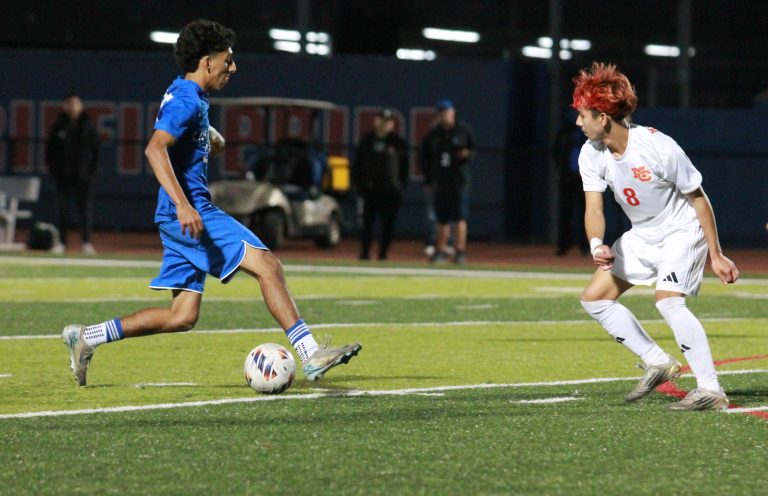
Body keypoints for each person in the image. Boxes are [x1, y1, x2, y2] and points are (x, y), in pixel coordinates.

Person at [61, 19, 361, 387]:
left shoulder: (184, 92)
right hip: (190, 214)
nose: (232, 68)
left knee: (182, 316)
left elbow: (179, 124)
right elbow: (155, 149)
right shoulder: (188, 99)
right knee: (268, 265)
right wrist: (185, 205)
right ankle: (309, 353)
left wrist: (208, 136)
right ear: (206, 62)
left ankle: (86, 337)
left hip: (172, 217)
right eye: (227, 60)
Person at [573, 62, 739, 411]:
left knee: (667, 300)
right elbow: (594, 208)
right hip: (643, 235)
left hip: (681, 228)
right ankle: (658, 361)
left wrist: (716, 253)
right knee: (594, 298)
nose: (578, 122)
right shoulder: (591, 153)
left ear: (602, 118)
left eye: (582, 115)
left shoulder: (657, 146)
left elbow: (699, 199)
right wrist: (596, 244)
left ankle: (711, 389)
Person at [419, 99, 474, 264]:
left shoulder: (463, 130)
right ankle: (440, 250)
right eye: (440, 112)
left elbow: (471, 152)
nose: (443, 115)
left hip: (459, 181)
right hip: (441, 182)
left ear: (453, 112)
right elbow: (425, 158)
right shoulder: (433, 134)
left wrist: (466, 154)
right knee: (441, 219)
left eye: (446, 112)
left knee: (460, 217)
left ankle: (460, 251)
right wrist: (429, 180)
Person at [45, 94, 100, 254]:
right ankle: (62, 242)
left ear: (81, 106)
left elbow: (96, 150)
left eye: (76, 103)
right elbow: (50, 150)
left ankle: (87, 242)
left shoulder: (88, 125)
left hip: (83, 177)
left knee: (84, 211)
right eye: (70, 103)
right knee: (62, 210)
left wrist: (91, 172)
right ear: (64, 106)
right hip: (63, 176)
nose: (73, 106)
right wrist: (55, 170)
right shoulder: (59, 125)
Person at [353, 109, 408, 260]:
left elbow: (405, 167)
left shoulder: (397, 142)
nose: (384, 124)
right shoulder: (367, 140)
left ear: (392, 124)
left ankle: (383, 253)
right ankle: (364, 252)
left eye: (387, 121)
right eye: (381, 120)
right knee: (367, 224)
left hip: (390, 191)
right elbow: (357, 164)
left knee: (387, 225)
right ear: (375, 121)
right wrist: (359, 184)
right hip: (370, 189)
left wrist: (400, 186)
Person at [553, 120, 589, 256]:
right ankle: (563, 245)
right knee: (565, 212)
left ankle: (585, 246)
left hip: (585, 178)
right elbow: (556, 150)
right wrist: (561, 169)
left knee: (586, 211)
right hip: (567, 177)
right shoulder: (565, 130)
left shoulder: (590, 132)